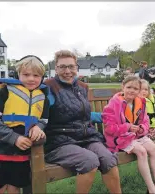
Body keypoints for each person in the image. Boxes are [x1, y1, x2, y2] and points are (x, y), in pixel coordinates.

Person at [43, 50, 121, 194]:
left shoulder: (82, 87)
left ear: (76, 67)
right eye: (63, 67)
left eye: (71, 66)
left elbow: (81, 113)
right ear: (56, 68)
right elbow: (38, 114)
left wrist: (108, 117)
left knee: (109, 159)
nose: (67, 71)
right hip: (59, 141)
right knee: (89, 161)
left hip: (86, 137)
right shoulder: (48, 87)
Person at [0, 56, 50, 194]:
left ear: (42, 77)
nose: (31, 78)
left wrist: (38, 127)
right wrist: (15, 138)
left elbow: (43, 120)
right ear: (17, 74)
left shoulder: (43, 98)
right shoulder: (5, 91)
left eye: (36, 75)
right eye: (26, 74)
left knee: (15, 187)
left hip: (21, 153)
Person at [102, 75, 155, 194]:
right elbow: (109, 129)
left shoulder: (140, 102)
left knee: (154, 149)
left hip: (137, 136)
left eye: (135, 89)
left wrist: (142, 128)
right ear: (123, 87)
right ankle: (152, 190)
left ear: (139, 90)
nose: (132, 90)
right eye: (129, 87)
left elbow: (146, 121)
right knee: (141, 151)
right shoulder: (113, 104)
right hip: (119, 138)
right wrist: (127, 127)